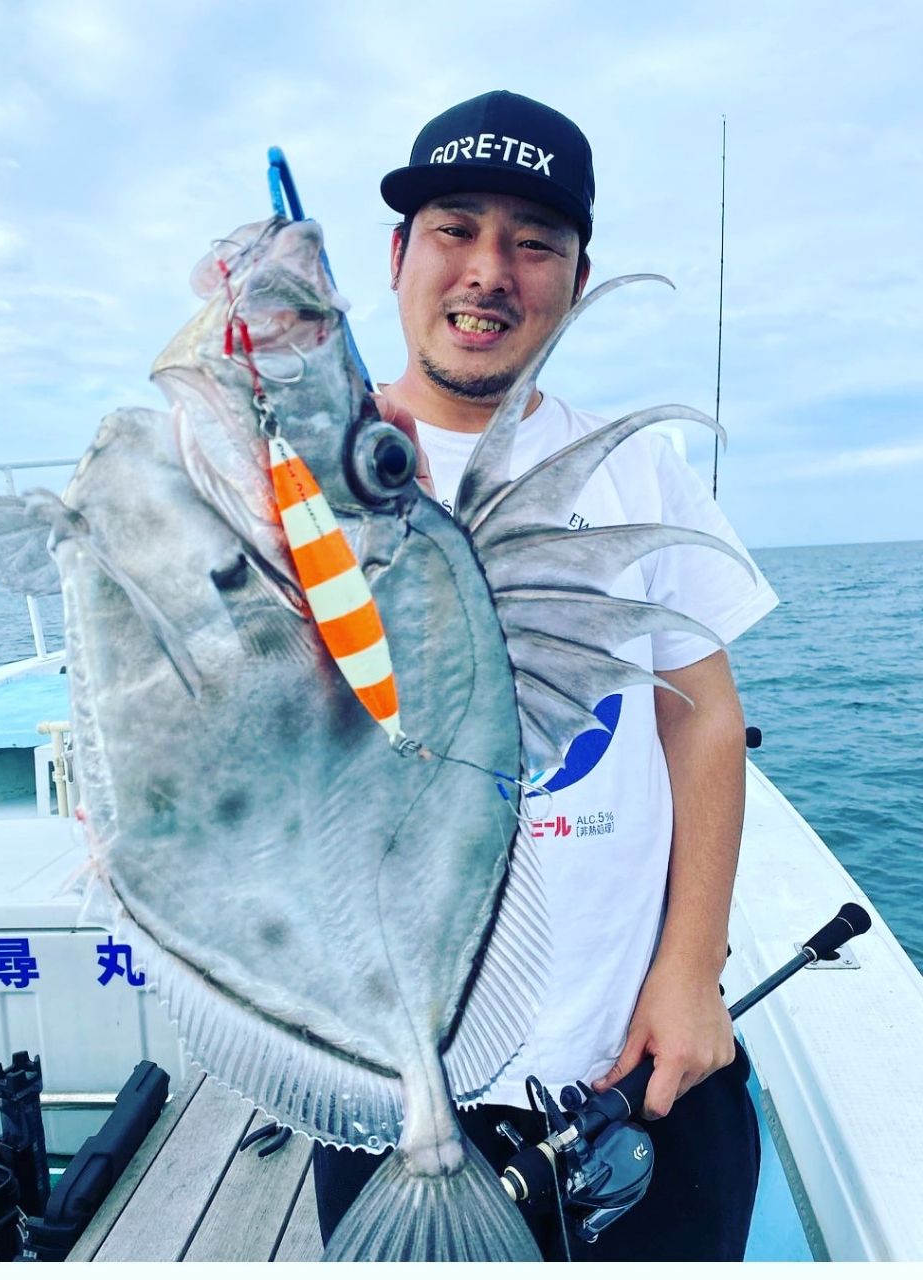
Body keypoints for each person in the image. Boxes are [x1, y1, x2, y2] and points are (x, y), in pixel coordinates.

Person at [315, 90, 779, 1261]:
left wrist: (690, 974)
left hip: (629, 1056)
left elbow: (705, 720)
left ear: (575, 278)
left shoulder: (641, 469)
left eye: (534, 242)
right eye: (453, 227)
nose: (489, 269)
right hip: (390, 1066)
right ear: (397, 255)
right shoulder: (294, 478)